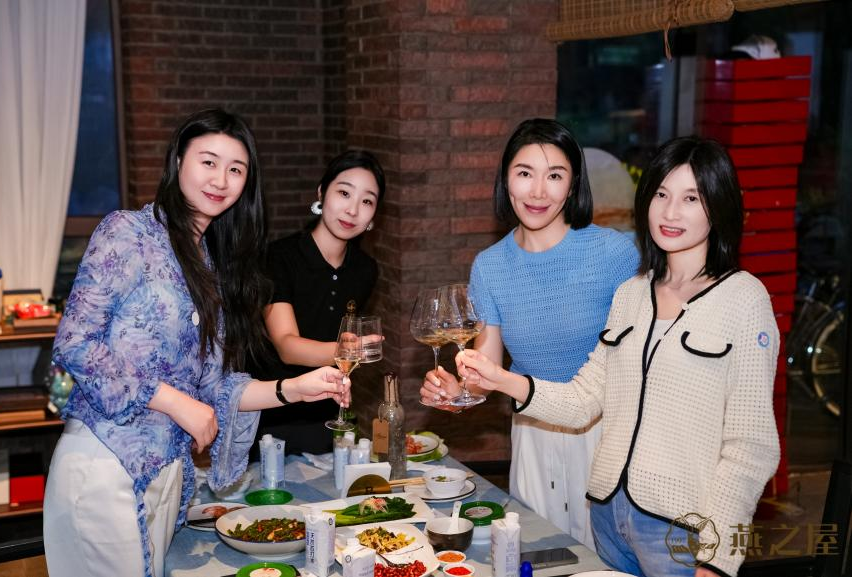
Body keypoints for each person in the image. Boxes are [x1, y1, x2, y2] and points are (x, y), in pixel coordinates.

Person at [453, 136, 780, 577]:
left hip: (680, 529)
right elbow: (584, 398)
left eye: (691, 198)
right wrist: (499, 378)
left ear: (717, 207)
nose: (670, 212)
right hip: (607, 516)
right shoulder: (632, 293)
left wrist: (718, 558)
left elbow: (752, 446)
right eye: (661, 194)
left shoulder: (743, 298)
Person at [42, 109, 348, 577]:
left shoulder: (206, 262)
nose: (221, 180)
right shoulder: (128, 232)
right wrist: (173, 401)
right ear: (178, 161)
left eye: (236, 169)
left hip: (166, 476)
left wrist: (295, 389)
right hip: (105, 464)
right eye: (208, 161)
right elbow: (75, 343)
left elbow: (214, 387)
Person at [421, 118, 639, 548]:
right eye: (525, 173)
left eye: (554, 176)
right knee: (538, 554)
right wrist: (458, 391)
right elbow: (486, 370)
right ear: (506, 180)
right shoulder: (490, 265)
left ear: (573, 185)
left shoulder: (615, 254)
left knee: (606, 561)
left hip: (605, 433)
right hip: (532, 434)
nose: (538, 192)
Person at [250, 149, 385, 454]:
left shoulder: (365, 269)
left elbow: (341, 334)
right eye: (344, 193)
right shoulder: (277, 257)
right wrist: (346, 352)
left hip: (326, 414)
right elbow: (287, 346)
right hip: (271, 414)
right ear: (322, 193)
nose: (353, 210)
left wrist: (345, 353)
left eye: (367, 201)